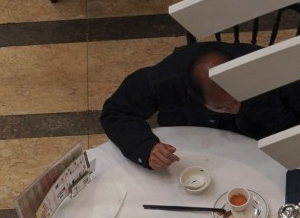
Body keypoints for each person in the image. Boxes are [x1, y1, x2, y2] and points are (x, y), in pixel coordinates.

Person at [100, 41, 300, 170]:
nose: (236, 108)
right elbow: (116, 111)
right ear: (193, 96)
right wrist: (145, 148)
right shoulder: (165, 79)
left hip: (266, 153)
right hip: (193, 153)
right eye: (223, 107)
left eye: (240, 97)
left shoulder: (280, 75)